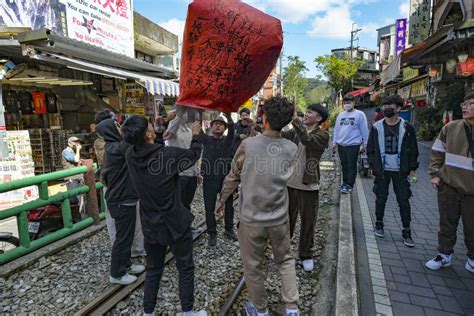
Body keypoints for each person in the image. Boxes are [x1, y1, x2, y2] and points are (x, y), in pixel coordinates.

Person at [216, 96, 300, 316]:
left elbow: (233, 176)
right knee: (285, 260)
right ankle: (291, 307)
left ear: (264, 119)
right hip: (279, 217)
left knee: (253, 266)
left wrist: (222, 199)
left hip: (251, 219)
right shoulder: (292, 148)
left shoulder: (249, 144)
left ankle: (260, 310)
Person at [122, 116, 206, 316]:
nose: (153, 126)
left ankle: (148, 312)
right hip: (174, 221)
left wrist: (161, 136)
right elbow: (193, 154)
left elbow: (147, 148)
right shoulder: (167, 156)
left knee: (153, 269)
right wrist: (195, 134)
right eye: (151, 126)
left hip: (150, 222)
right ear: (149, 134)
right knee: (185, 267)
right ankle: (188, 311)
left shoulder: (129, 155)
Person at [425, 91, 474, 272]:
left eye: (470, 104)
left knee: (472, 227)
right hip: (450, 187)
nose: (465, 107)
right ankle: (444, 255)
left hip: (472, 192)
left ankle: (472, 258)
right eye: (464, 103)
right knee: (446, 224)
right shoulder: (451, 128)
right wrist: (435, 174)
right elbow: (437, 152)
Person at [96, 118, 145, 285]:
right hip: (121, 200)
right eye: (117, 125)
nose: (120, 127)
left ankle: (126, 265)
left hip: (124, 198)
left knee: (127, 235)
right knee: (122, 238)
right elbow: (134, 136)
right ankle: (116, 273)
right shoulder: (116, 148)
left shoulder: (115, 147)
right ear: (109, 129)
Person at [366, 95, 419, 248]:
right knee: (380, 198)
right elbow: (370, 148)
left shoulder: (407, 127)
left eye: (390, 106)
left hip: (400, 170)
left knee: (403, 200)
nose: (386, 108)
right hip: (382, 170)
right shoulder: (377, 127)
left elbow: (414, 150)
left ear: (398, 109)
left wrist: (413, 169)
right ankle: (379, 224)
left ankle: (406, 230)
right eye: (385, 105)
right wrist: (373, 165)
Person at [283, 104, 330, 272]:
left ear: (318, 118)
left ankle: (306, 254)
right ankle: (283, 251)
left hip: (308, 184)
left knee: (308, 221)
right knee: (287, 219)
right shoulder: (297, 131)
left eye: (310, 112)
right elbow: (281, 135)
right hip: (290, 182)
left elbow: (307, 140)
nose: (306, 114)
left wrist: (296, 120)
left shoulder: (323, 135)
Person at [199, 113, 236, 247]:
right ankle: (212, 233)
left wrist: (229, 117)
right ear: (211, 127)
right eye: (215, 124)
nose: (218, 125)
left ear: (225, 128)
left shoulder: (228, 140)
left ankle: (229, 229)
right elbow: (198, 126)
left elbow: (232, 130)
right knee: (209, 207)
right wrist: (199, 111)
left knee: (228, 205)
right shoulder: (206, 140)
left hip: (225, 178)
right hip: (209, 178)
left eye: (221, 124)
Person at [163, 107, 200, 225]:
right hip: (179, 174)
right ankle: (179, 227)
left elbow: (194, 153)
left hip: (191, 174)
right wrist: (177, 116)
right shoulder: (173, 131)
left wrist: (197, 172)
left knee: (187, 202)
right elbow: (170, 132)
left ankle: (187, 225)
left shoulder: (190, 131)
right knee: (178, 202)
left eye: (185, 113)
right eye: (181, 113)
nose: (184, 115)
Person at [332, 95, 369, 194]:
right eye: (345, 103)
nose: (346, 104)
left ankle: (349, 185)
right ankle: (345, 183)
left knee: (351, 165)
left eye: (349, 102)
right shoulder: (341, 115)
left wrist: (366, 144)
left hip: (353, 145)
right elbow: (336, 129)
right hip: (341, 144)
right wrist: (334, 142)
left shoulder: (360, 114)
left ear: (354, 103)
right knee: (344, 164)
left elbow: (364, 130)